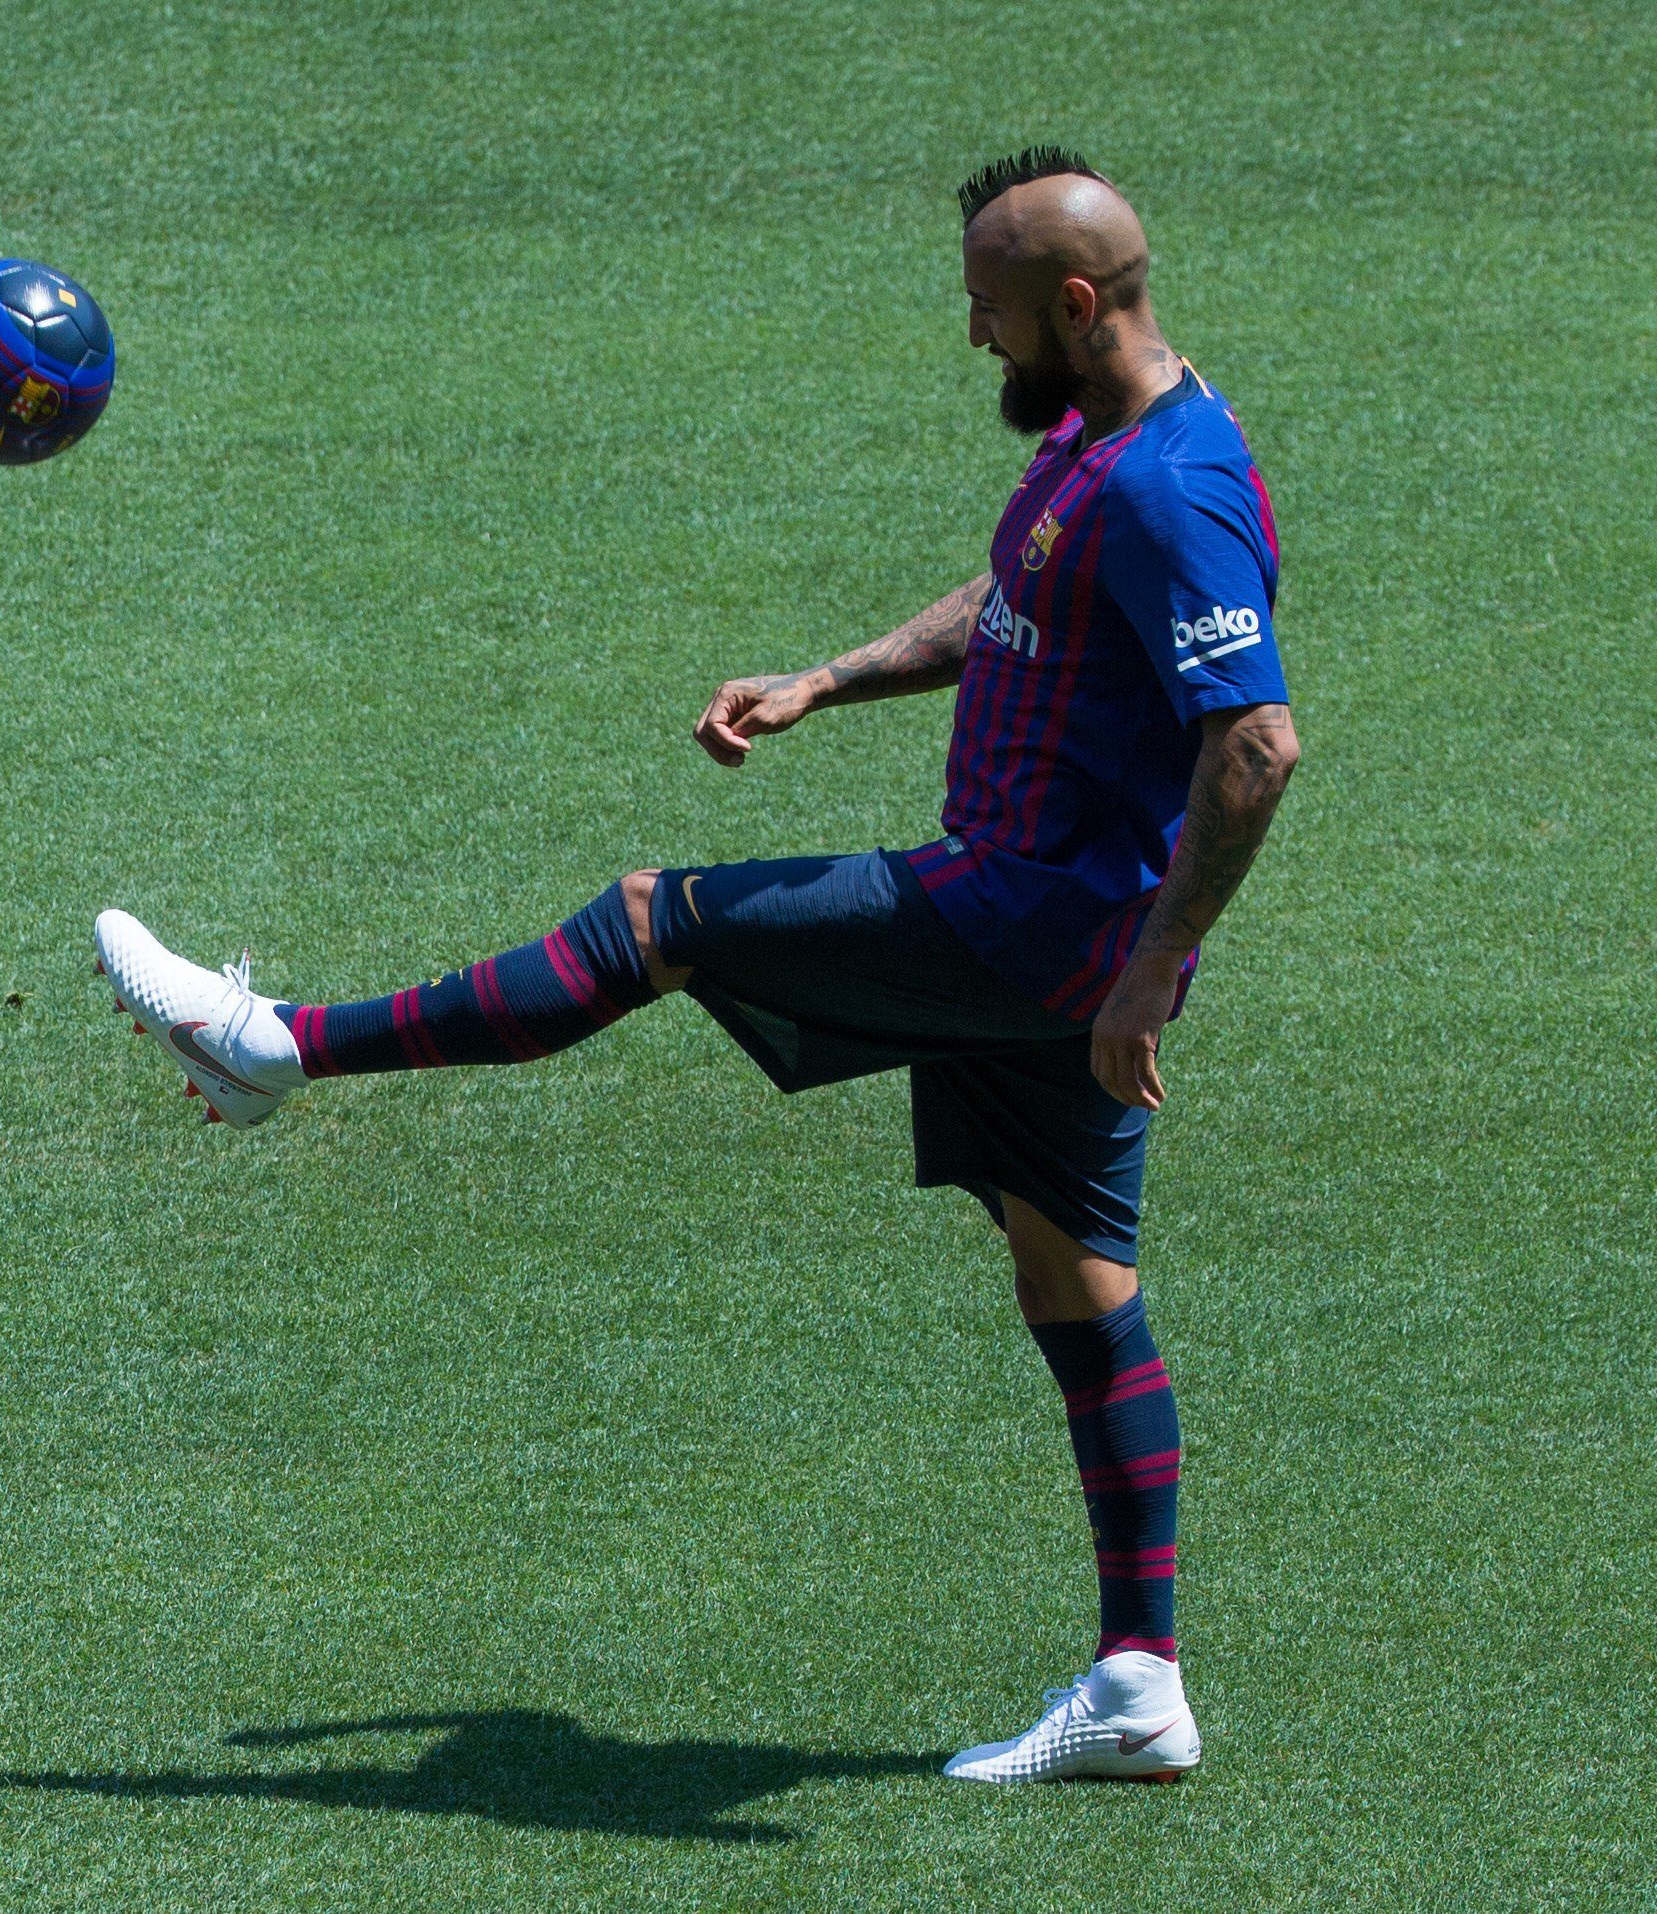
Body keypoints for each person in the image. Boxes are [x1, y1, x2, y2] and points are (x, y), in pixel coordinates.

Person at [93, 146, 1299, 1785]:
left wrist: (1157, 968)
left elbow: (1257, 748)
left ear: (1074, 306)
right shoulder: (1105, 443)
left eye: (992, 315)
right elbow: (1018, 603)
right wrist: (830, 677)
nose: (976, 343)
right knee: (1073, 1277)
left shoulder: (1174, 487)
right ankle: (1142, 1681)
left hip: (1025, 926)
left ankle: (279, 1044)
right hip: (1051, 941)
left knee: (660, 917)